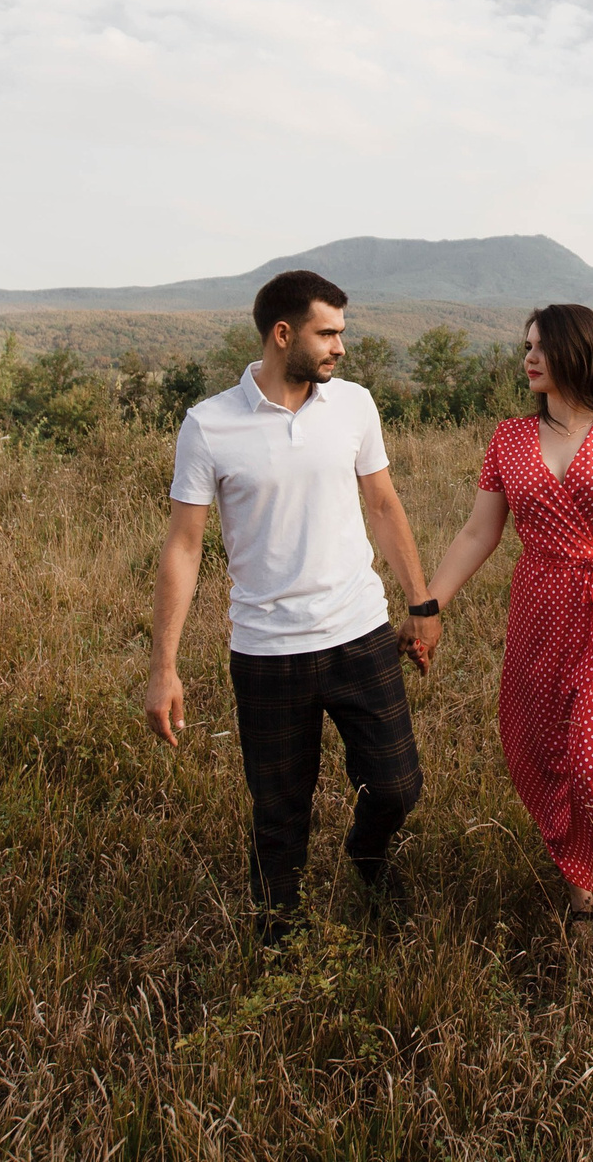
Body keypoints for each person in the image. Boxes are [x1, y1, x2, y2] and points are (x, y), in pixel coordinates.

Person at [144, 270, 442, 941]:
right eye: (328, 332)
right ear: (284, 334)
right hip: (268, 652)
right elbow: (184, 548)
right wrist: (164, 665)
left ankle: (367, 857)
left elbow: (384, 504)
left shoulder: (355, 405)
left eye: (342, 331)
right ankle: (279, 945)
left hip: (359, 632)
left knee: (397, 785)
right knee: (280, 814)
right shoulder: (210, 424)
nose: (341, 345)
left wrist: (419, 601)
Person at [412, 302, 593, 922]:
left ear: (578, 350)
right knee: (548, 757)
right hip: (539, 613)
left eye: (541, 346)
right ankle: (580, 895)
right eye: (527, 347)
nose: (529, 359)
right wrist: (429, 605)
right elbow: (477, 534)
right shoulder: (509, 439)